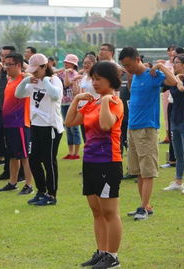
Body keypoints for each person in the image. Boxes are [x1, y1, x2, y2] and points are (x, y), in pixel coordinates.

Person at [65, 61, 124, 269]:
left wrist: (106, 101)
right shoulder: (92, 102)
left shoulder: (115, 101)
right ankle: (101, 252)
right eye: (93, 78)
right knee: (96, 211)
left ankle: (113, 256)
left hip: (108, 162)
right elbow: (70, 122)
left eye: (99, 79)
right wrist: (77, 100)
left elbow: (107, 125)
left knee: (109, 212)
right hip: (90, 161)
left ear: (111, 80)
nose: (95, 83)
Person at [119, 47, 177, 220]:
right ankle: (144, 206)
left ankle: (144, 208)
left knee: (148, 171)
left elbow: (174, 82)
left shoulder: (151, 74)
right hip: (133, 128)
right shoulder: (134, 77)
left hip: (147, 128)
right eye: (124, 66)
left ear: (137, 59)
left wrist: (160, 66)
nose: (127, 69)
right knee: (138, 171)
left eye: (129, 65)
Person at [16, 53, 64, 206]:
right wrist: (25, 80)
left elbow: (56, 95)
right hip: (36, 125)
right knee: (33, 160)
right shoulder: (33, 80)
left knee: (48, 161)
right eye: (32, 71)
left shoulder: (54, 80)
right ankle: (41, 191)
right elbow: (18, 94)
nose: (34, 73)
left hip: (50, 126)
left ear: (45, 66)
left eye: (37, 70)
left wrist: (45, 81)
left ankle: (52, 195)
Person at [0, 53, 34, 195]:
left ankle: (29, 185)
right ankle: (13, 182)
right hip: (9, 124)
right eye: (5, 64)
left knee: (24, 156)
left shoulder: (25, 79)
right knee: (12, 155)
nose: (6, 67)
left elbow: (32, 72)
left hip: (20, 123)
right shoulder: (10, 80)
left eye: (9, 64)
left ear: (18, 65)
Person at [163, 53, 184, 194]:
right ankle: (178, 182)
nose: (174, 65)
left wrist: (177, 79)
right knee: (177, 153)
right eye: (173, 62)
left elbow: (182, 89)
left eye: (177, 62)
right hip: (174, 117)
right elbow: (163, 86)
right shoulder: (173, 80)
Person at [0, 46, 16, 180]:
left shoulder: (18, 72)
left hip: (13, 112)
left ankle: (17, 173)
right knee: (2, 140)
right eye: (2, 56)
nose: (3, 59)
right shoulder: (2, 70)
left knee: (13, 143)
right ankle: (7, 170)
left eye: (6, 56)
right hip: (1, 108)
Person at [58, 54, 82, 159]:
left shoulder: (75, 74)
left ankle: (76, 153)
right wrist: (62, 71)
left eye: (67, 62)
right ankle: (70, 152)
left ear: (72, 64)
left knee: (74, 128)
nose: (65, 64)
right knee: (68, 127)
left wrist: (67, 74)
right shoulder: (62, 73)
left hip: (72, 104)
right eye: (65, 62)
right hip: (64, 103)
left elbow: (67, 83)